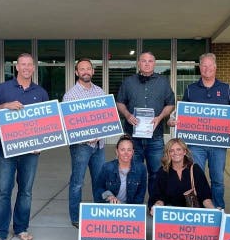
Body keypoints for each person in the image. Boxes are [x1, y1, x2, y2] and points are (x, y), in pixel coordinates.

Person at [0, 53, 49, 240]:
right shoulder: (3, 88)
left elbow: (47, 122)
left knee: (26, 192)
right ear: (17, 67)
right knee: (3, 191)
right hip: (6, 149)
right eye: (23, 64)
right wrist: (5, 106)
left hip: (31, 152)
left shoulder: (41, 92)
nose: (26, 68)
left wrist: (42, 144)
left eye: (30, 64)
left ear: (33, 67)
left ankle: (21, 228)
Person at [168, 53, 230, 211]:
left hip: (218, 144)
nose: (207, 69)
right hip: (195, 144)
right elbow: (181, 113)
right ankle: (198, 208)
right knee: (195, 177)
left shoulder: (227, 89)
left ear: (215, 67)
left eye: (210, 65)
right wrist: (175, 121)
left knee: (218, 179)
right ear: (200, 68)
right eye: (203, 66)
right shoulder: (190, 89)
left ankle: (218, 209)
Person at [116, 51, 175, 207]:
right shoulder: (128, 82)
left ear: (154, 64)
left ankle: (153, 206)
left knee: (156, 173)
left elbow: (170, 103)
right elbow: (119, 102)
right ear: (138, 63)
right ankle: (133, 206)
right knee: (133, 172)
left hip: (155, 137)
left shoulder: (163, 82)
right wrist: (127, 115)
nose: (147, 63)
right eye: (144, 61)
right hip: (132, 138)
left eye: (150, 61)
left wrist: (160, 117)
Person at [63, 58, 106, 228]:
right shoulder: (70, 95)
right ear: (76, 72)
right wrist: (86, 136)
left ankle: (100, 214)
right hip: (81, 146)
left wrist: (99, 133)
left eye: (88, 68)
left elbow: (105, 116)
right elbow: (69, 124)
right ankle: (76, 217)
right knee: (77, 182)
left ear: (93, 71)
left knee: (99, 180)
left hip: (99, 145)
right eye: (82, 69)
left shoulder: (100, 92)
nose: (86, 71)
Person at [151, 138, 215, 215]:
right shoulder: (163, 171)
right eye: (171, 150)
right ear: (168, 153)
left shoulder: (195, 169)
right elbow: (158, 196)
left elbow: (205, 196)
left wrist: (214, 211)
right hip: (171, 214)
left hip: (193, 214)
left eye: (178, 149)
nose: (175, 153)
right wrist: (157, 205)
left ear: (184, 152)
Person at [93, 135, 147, 206]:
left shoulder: (141, 168)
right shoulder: (107, 167)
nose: (126, 153)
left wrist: (131, 210)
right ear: (117, 151)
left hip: (130, 210)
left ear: (133, 152)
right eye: (122, 149)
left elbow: (140, 195)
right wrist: (109, 196)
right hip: (110, 208)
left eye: (129, 150)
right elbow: (98, 189)